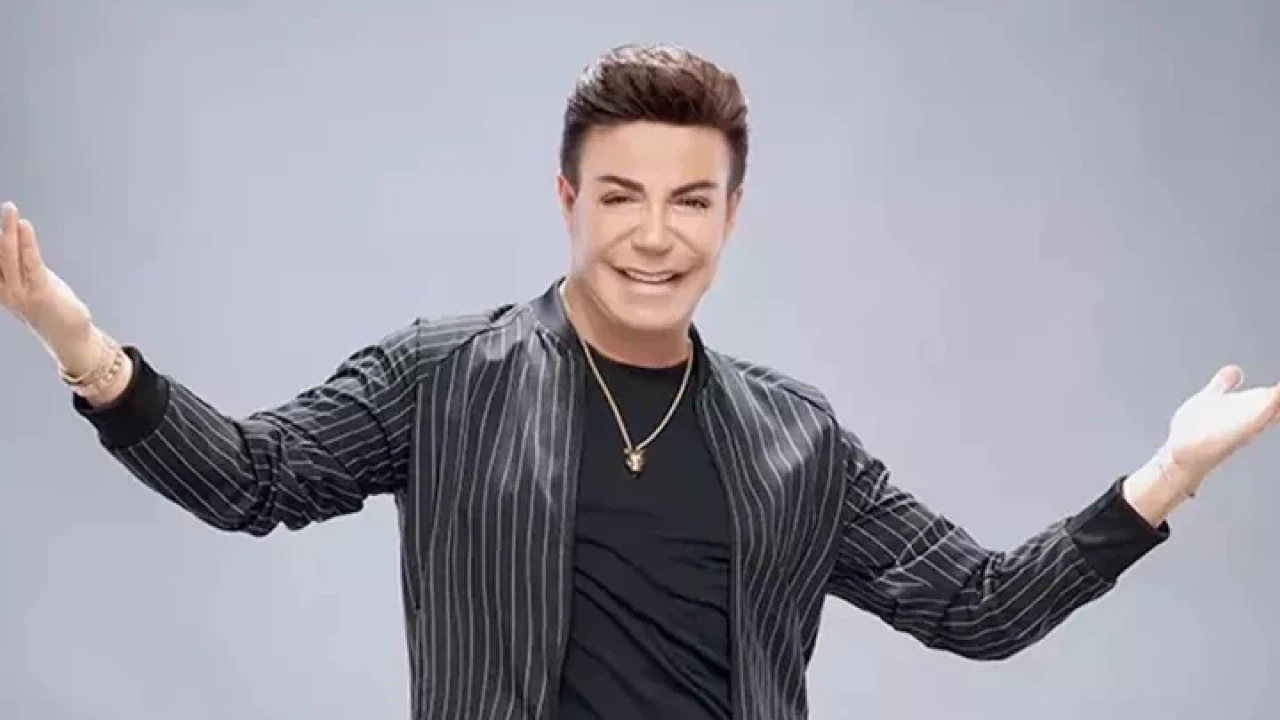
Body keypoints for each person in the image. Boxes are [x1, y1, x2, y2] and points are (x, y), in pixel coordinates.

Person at [1, 43, 1277, 720]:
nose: (653, 237)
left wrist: (1166, 473)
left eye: (689, 202)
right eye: (619, 196)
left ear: (730, 216)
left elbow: (978, 609)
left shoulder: (793, 437)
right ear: (567, 200)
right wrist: (77, 339)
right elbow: (250, 479)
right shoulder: (444, 377)